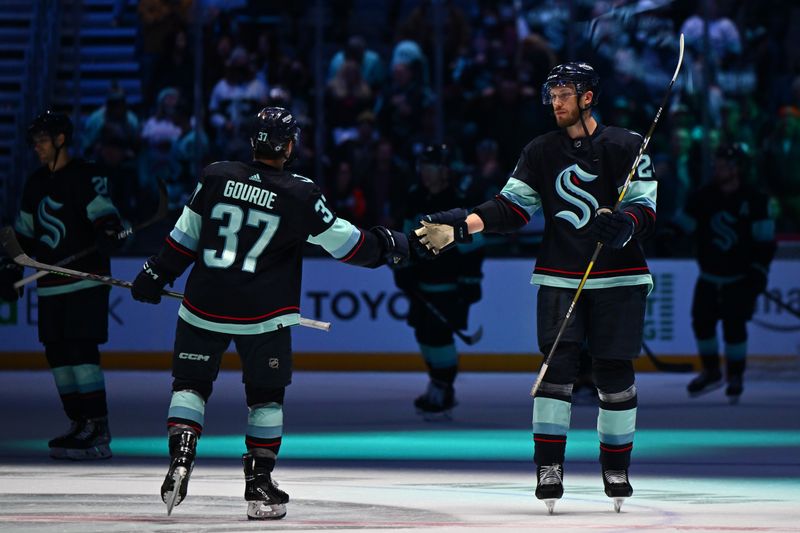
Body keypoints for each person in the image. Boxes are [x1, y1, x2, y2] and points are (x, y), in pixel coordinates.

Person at [130, 106, 412, 520]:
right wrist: (387, 245)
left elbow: (182, 239)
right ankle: (259, 485)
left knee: (190, 385)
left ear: (253, 141)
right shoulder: (300, 193)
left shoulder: (215, 175)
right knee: (265, 398)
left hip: (202, 305)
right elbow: (347, 245)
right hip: (264, 315)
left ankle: (183, 456)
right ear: (291, 144)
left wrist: (153, 275)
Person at [412, 63, 657, 512]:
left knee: (614, 372)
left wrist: (624, 225)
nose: (554, 102)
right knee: (556, 371)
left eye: (564, 94)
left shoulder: (628, 145)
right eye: (552, 94)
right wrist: (459, 227)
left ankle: (616, 467)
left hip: (620, 278)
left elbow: (646, 207)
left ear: (587, 97)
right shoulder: (540, 150)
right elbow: (512, 208)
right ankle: (549, 467)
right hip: (559, 276)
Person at [0, 110, 124, 460]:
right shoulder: (35, 183)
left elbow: (107, 218)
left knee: (81, 353)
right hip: (51, 285)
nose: (36, 148)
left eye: (41, 141)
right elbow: (23, 234)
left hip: (85, 281)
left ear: (60, 139)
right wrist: (9, 270)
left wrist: (110, 231)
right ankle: (78, 422)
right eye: (34, 142)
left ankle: (97, 426)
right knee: (57, 355)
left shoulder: (87, 176)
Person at [674, 143, 776, 403]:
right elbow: (684, 225)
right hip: (709, 275)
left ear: (737, 168)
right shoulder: (702, 196)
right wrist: (667, 234)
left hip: (739, 277)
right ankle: (711, 371)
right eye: (716, 165)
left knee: (735, 327)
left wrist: (759, 270)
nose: (719, 169)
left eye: (724, 165)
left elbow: (765, 241)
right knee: (702, 323)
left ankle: (735, 375)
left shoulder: (755, 199)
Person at [393, 144, 484, 420]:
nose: (423, 171)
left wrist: (470, 282)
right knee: (423, 334)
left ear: (444, 170)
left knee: (440, 337)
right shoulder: (415, 196)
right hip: (421, 282)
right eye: (422, 165)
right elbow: (406, 236)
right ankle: (436, 383)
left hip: (450, 285)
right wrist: (403, 267)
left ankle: (444, 388)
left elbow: (474, 246)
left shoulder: (457, 200)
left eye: (429, 165)